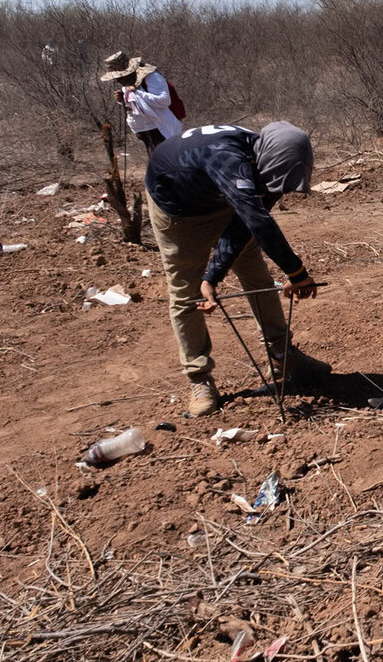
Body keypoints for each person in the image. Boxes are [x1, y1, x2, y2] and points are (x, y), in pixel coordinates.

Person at [144, 122, 329, 417]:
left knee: (256, 273)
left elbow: (247, 224)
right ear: (266, 162)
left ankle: (282, 356)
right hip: (178, 209)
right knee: (186, 290)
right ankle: (199, 378)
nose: (276, 189)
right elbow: (258, 222)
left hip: (223, 198)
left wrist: (213, 276)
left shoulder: (263, 161)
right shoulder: (228, 159)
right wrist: (297, 273)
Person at [102, 52, 183, 156]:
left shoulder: (152, 77)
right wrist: (122, 98)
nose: (117, 80)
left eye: (119, 76)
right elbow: (136, 102)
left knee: (165, 163)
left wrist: (136, 92)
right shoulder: (129, 82)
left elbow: (164, 100)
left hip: (160, 129)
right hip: (145, 131)